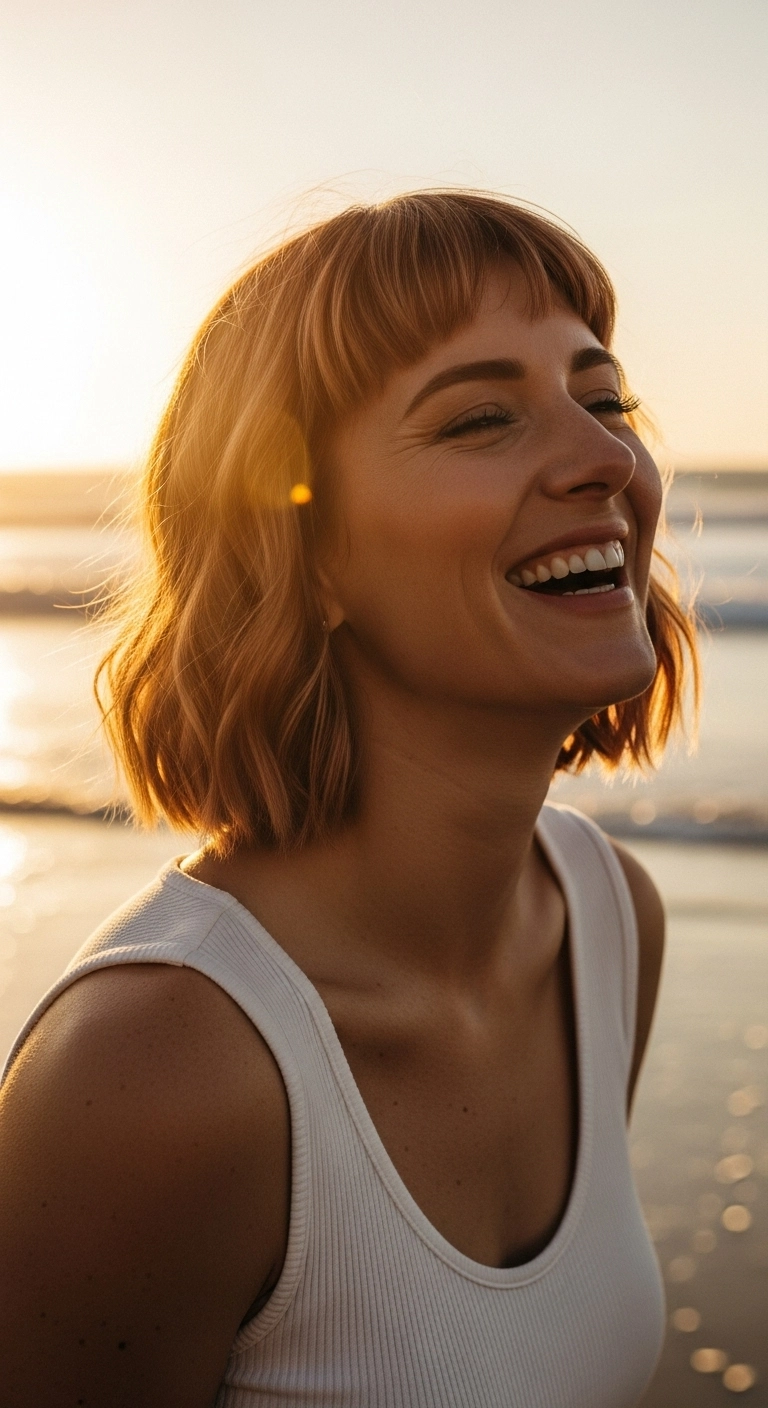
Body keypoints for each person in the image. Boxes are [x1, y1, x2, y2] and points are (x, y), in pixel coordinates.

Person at [0, 191, 698, 1407]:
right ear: (303, 554)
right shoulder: (152, 1073)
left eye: (605, 400)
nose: (605, 462)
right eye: (482, 417)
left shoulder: (606, 919)